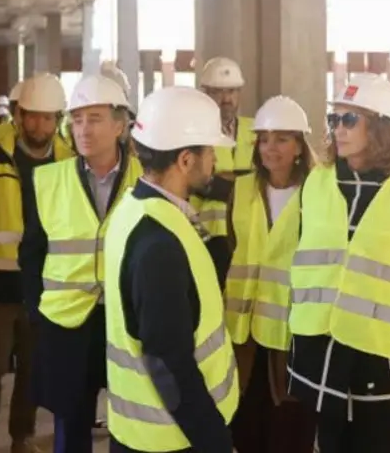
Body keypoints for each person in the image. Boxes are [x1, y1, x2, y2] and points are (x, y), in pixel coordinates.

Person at [287, 73, 390, 453]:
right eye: (334, 120)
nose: (338, 129)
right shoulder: (316, 182)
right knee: (329, 444)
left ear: (381, 127)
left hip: (379, 352)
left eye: (350, 120)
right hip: (320, 345)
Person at [103, 86, 241, 453]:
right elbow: (169, 361)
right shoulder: (158, 243)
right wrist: (216, 440)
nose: (214, 161)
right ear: (185, 160)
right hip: (172, 438)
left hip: (143, 432)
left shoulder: (132, 209)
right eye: (209, 151)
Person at [21, 74, 141, 453]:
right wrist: (37, 312)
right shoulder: (48, 180)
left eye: (95, 118)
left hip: (126, 321)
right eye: (76, 120)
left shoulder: (146, 180)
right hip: (67, 323)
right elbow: (31, 253)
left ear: (120, 125)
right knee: (70, 424)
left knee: (130, 421)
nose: (83, 129)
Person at [0, 73, 75, 453]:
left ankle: (21, 437)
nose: (39, 125)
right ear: (19, 114)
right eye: (32, 116)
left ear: (56, 119)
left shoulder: (69, 164)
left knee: (31, 367)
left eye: (47, 117)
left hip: (43, 285)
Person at [224, 95, 318, 453]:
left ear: (299, 145)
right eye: (263, 139)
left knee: (289, 431)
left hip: (292, 333)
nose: (270, 147)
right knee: (246, 427)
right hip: (244, 333)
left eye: (281, 138)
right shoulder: (242, 188)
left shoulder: (318, 192)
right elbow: (235, 246)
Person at [191, 56, 256, 238]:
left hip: (248, 235)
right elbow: (206, 184)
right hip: (208, 236)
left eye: (232, 91)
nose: (226, 99)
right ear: (205, 94)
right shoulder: (194, 133)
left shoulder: (256, 131)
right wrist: (248, 180)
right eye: (218, 92)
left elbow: (268, 180)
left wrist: (223, 177)